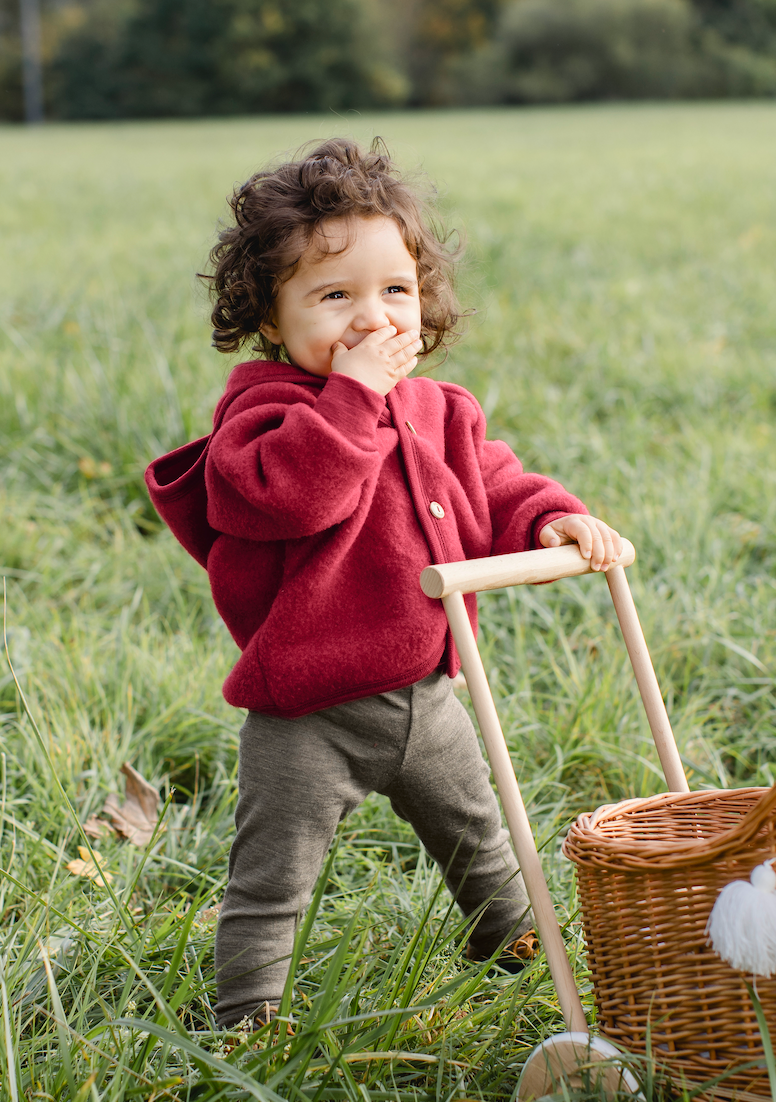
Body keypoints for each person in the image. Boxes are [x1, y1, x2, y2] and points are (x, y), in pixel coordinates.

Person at [146, 138, 621, 1030]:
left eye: (394, 291)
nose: (373, 321)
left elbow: (493, 481)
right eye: (335, 297)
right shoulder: (264, 417)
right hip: (309, 710)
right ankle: (248, 1009)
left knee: (482, 836)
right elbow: (294, 495)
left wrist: (549, 516)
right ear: (272, 320)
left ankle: (515, 948)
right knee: (274, 870)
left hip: (428, 690)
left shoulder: (441, 409)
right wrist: (356, 396)